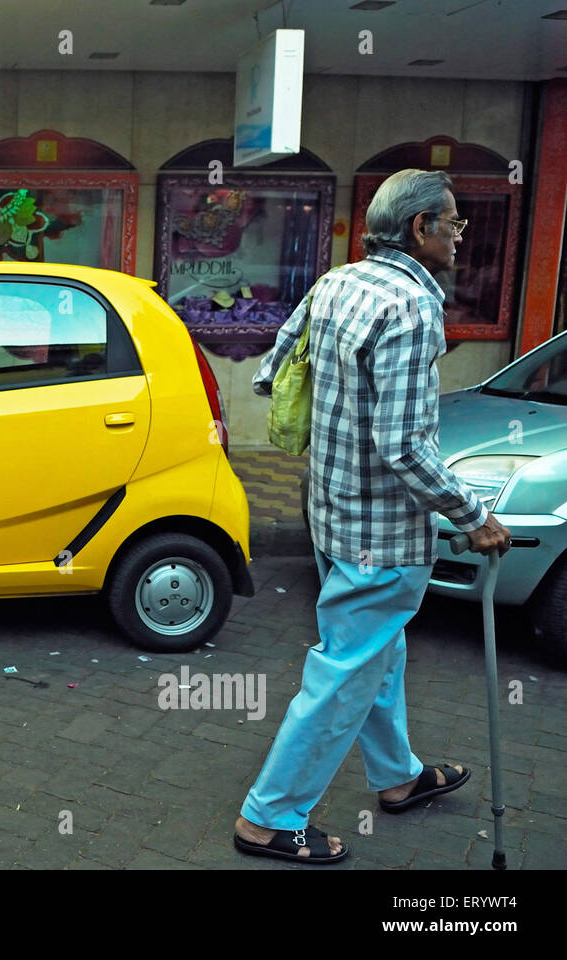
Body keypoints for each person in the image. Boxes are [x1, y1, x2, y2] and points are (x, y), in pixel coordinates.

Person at [235, 168, 512, 864]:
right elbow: (403, 447)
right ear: (419, 228)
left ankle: (398, 779)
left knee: (375, 658)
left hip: (330, 515)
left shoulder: (339, 282)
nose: (459, 234)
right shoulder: (414, 309)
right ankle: (267, 820)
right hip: (380, 537)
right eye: (452, 222)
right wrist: (472, 514)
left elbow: (273, 369)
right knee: (345, 673)